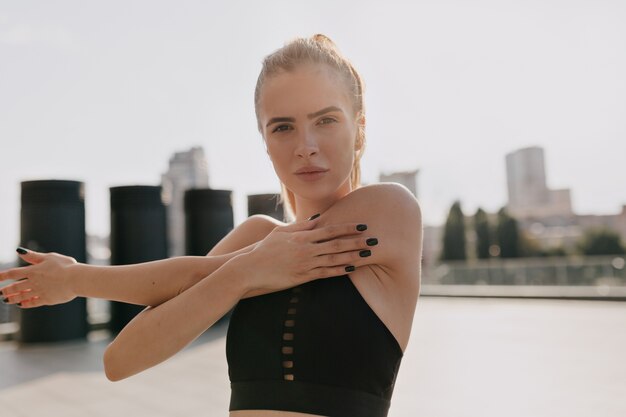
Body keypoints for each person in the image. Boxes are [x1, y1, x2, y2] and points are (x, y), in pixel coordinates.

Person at [0, 34, 422, 417]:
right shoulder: (257, 237)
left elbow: (198, 273)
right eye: (283, 127)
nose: (305, 147)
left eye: (326, 120)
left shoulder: (388, 210)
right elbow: (119, 361)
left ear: (359, 129)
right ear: (265, 141)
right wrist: (244, 272)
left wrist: (77, 279)